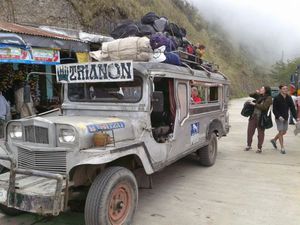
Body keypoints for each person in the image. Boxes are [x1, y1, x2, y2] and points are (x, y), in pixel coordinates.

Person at [271, 84, 299, 154]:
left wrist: (296, 118)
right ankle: (282, 148)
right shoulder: (276, 98)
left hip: (286, 117)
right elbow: (274, 109)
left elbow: (292, 108)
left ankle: (274, 140)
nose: (285, 90)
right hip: (279, 118)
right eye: (284, 89)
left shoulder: (289, 98)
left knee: (284, 132)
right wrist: (279, 116)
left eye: (286, 88)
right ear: (280, 90)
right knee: (281, 132)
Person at [245, 86, 272, 153]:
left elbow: (264, 107)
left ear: (266, 90)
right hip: (253, 117)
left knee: (260, 133)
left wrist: (254, 104)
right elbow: (250, 94)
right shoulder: (259, 96)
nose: (260, 89)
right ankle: (249, 145)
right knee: (250, 131)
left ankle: (259, 148)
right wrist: (256, 92)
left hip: (261, 118)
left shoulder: (269, 98)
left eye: (262, 89)